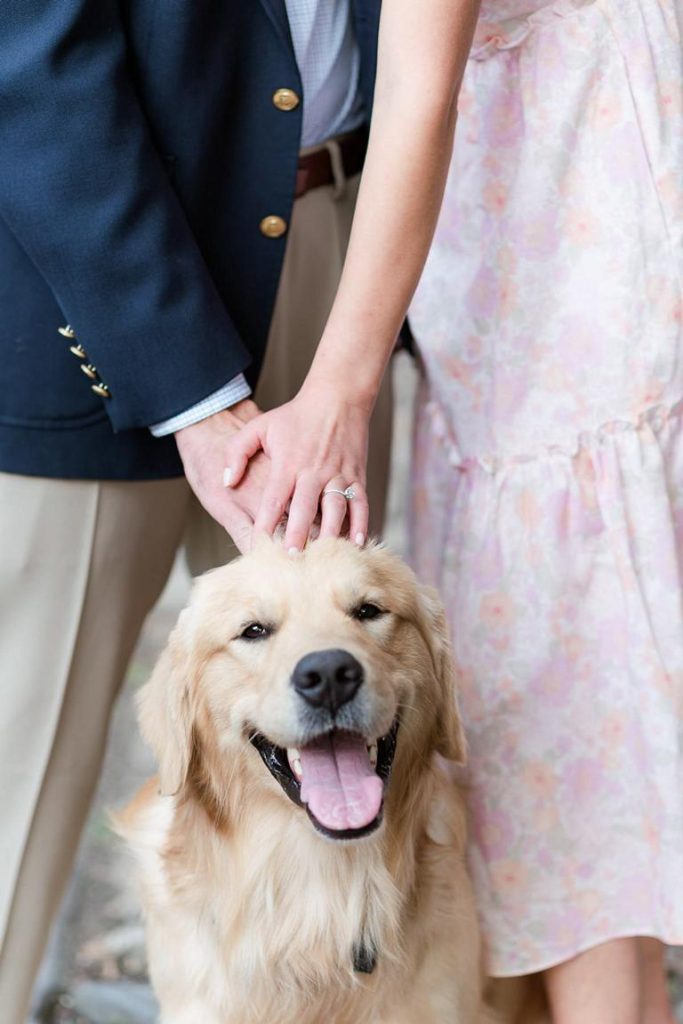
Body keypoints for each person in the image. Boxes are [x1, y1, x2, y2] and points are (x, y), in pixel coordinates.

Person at [0, 1, 480, 1020]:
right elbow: (29, 57)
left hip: (333, 256)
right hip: (82, 289)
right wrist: (195, 395)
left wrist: (347, 378)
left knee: (334, 731)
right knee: (16, 783)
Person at [225, 0, 683, 1021]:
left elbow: (419, 93)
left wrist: (340, 384)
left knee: (579, 825)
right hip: (547, 301)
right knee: (596, 823)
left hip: (568, 323)